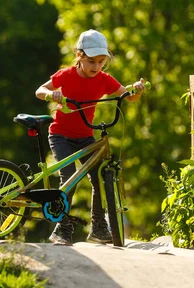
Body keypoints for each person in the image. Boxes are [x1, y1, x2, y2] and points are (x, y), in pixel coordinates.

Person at [35, 29, 145, 246]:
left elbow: (128, 97)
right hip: (61, 136)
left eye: (101, 61)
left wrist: (138, 90)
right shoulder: (66, 75)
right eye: (92, 61)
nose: (97, 67)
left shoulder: (104, 80)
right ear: (79, 56)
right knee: (68, 177)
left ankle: (98, 228)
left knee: (99, 178)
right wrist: (52, 94)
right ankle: (62, 229)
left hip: (85, 136)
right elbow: (39, 90)